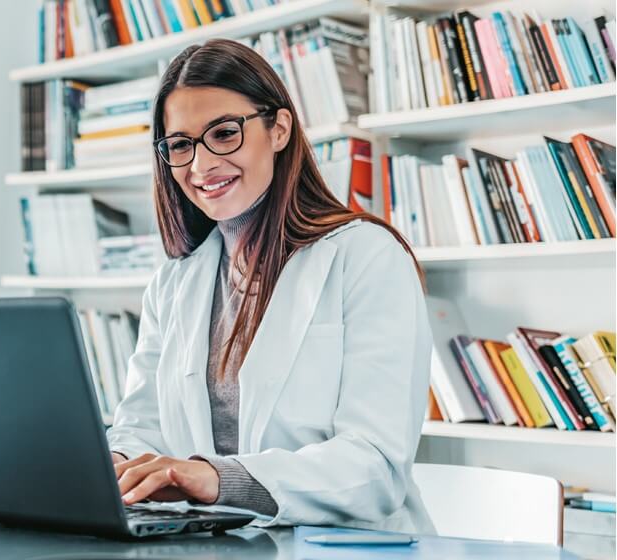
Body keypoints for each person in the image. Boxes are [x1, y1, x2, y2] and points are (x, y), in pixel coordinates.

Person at [106, 38, 435, 534]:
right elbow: (142, 424)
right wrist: (113, 462)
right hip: (214, 544)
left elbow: (374, 466)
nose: (200, 165)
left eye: (223, 133)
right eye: (180, 145)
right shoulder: (175, 281)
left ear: (278, 129)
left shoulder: (366, 256)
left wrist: (215, 478)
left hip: (342, 546)